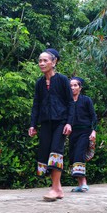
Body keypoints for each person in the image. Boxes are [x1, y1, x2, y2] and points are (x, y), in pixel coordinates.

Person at [29, 48, 74, 201]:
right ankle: (59, 188)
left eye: (45, 60)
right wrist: (32, 125)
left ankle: (54, 189)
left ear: (54, 62)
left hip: (61, 121)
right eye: (40, 61)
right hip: (45, 122)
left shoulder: (62, 80)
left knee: (56, 151)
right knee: (45, 152)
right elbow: (36, 104)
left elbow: (70, 102)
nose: (42, 63)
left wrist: (69, 123)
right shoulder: (39, 83)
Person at [69, 77, 97, 193]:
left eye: (75, 85)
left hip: (84, 132)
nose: (73, 88)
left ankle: (84, 182)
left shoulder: (86, 100)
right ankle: (79, 184)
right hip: (72, 132)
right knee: (72, 156)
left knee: (79, 154)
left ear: (80, 88)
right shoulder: (68, 101)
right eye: (71, 85)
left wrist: (93, 130)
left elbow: (93, 116)